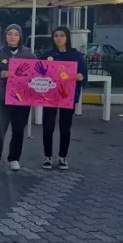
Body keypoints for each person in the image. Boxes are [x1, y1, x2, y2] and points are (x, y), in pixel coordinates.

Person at [0, 24, 36, 171]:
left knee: (18, 129)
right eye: (10, 33)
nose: (13, 37)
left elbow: (38, 73)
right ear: (5, 36)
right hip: (1, 97)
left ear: (20, 36)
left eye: (16, 34)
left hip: (22, 99)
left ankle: (14, 158)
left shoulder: (28, 54)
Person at [40, 26, 87, 170]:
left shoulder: (76, 55)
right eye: (56, 35)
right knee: (48, 127)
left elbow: (84, 75)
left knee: (65, 127)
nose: (59, 38)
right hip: (49, 97)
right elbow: (39, 73)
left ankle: (62, 157)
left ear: (67, 37)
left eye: (62, 35)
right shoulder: (47, 54)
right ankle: (47, 157)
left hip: (68, 97)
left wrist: (80, 77)